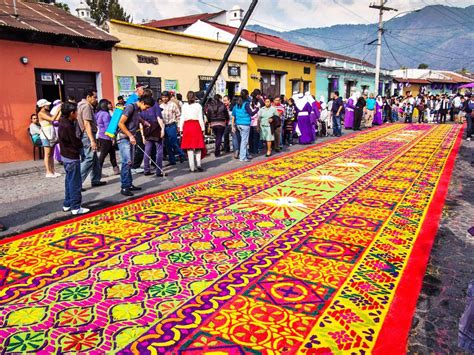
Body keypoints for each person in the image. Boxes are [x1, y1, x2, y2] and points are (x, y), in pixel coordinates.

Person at [117, 96, 154, 197]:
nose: (146, 109)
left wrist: (144, 122)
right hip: (124, 138)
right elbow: (121, 123)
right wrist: (130, 135)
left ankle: (129, 184)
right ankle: (124, 187)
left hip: (130, 138)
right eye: (146, 107)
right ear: (141, 102)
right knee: (127, 162)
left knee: (130, 162)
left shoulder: (136, 109)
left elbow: (136, 117)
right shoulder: (130, 107)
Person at [58, 102, 89, 215]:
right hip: (71, 156)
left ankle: (67, 204)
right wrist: (80, 143)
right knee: (75, 182)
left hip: (66, 156)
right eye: (76, 112)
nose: (77, 114)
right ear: (71, 113)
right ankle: (75, 206)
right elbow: (74, 142)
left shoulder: (64, 121)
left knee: (69, 181)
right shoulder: (67, 126)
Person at [77, 89, 106, 188]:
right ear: (88, 97)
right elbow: (87, 124)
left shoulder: (80, 105)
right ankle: (77, 183)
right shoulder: (86, 106)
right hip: (88, 135)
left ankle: (96, 179)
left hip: (87, 134)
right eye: (94, 97)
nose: (96, 99)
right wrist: (92, 140)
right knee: (89, 158)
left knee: (94, 159)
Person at [180, 91, 206, 172]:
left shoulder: (184, 106)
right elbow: (200, 118)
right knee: (198, 146)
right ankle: (198, 164)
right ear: (194, 97)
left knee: (189, 147)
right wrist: (203, 129)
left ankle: (192, 167)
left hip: (187, 126)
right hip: (196, 125)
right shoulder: (198, 106)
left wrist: (181, 128)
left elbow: (182, 117)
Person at [160, 91, 185, 166]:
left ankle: (182, 154)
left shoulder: (173, 105)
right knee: (167, 144)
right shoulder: (160, 106)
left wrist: (178, 126)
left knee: (174, 142)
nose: (164, 98)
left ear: (169, 97)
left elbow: (178, 115)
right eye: (163, 97)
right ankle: (172, 160)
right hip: (164, 126)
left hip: (172, 125)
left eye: (166, 97)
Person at [37, 99, 61, 178]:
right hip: (45, 135)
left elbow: (56, 118)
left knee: (51, 154)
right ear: (42, 106)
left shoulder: (47, 112)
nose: (48, 105)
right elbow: (52, 119)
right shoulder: (40, 113)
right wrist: (57, 110)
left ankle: (53, 171)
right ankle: (48, 171)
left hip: (51, 134)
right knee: (47, 154)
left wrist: (60, 110)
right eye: (46, 104)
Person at [141, 97, 165, 176]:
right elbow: (159, 118)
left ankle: (146, 169)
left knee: (147, 151)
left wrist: (142, 136)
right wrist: (162, 129)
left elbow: (140, 123)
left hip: (146, 130)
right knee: (159, 150)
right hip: (155, 129)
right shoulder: (155, 105)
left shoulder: (142, 107)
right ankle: (159, 170)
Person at [232, 89, 257, 162]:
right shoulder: (245, 104)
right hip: (245, 124)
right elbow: (251, 113)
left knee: (243, 140)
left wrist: (233, 126)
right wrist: (257, 109)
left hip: (238, 124)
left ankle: (245, 154)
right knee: (244, 141)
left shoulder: (237, 105)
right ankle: (243, 157)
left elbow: (234, 115)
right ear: (246, 95)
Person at [96, 99, 120, 176]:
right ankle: (98, 172)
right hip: (107, 137)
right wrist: (112, 138)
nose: (110, 105)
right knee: (103, 155)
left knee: (112, 153)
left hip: (101, 136)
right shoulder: (105, 114)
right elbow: (108, 127)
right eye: (108, 104)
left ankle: (115, 168)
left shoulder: (98, 113)